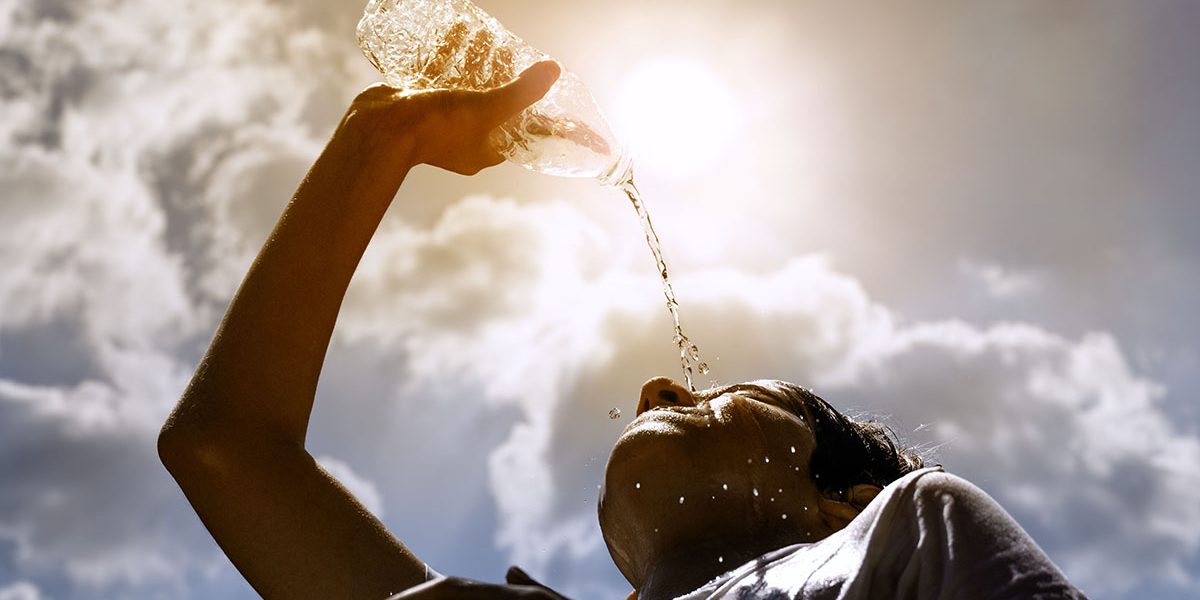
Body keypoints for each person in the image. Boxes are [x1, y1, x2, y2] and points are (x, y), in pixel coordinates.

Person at [158, 61, 1085, 599]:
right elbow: (225, 447)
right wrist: (378, 142)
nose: (659, 389)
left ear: (842, 505)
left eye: (733, 395)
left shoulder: (910, 535)